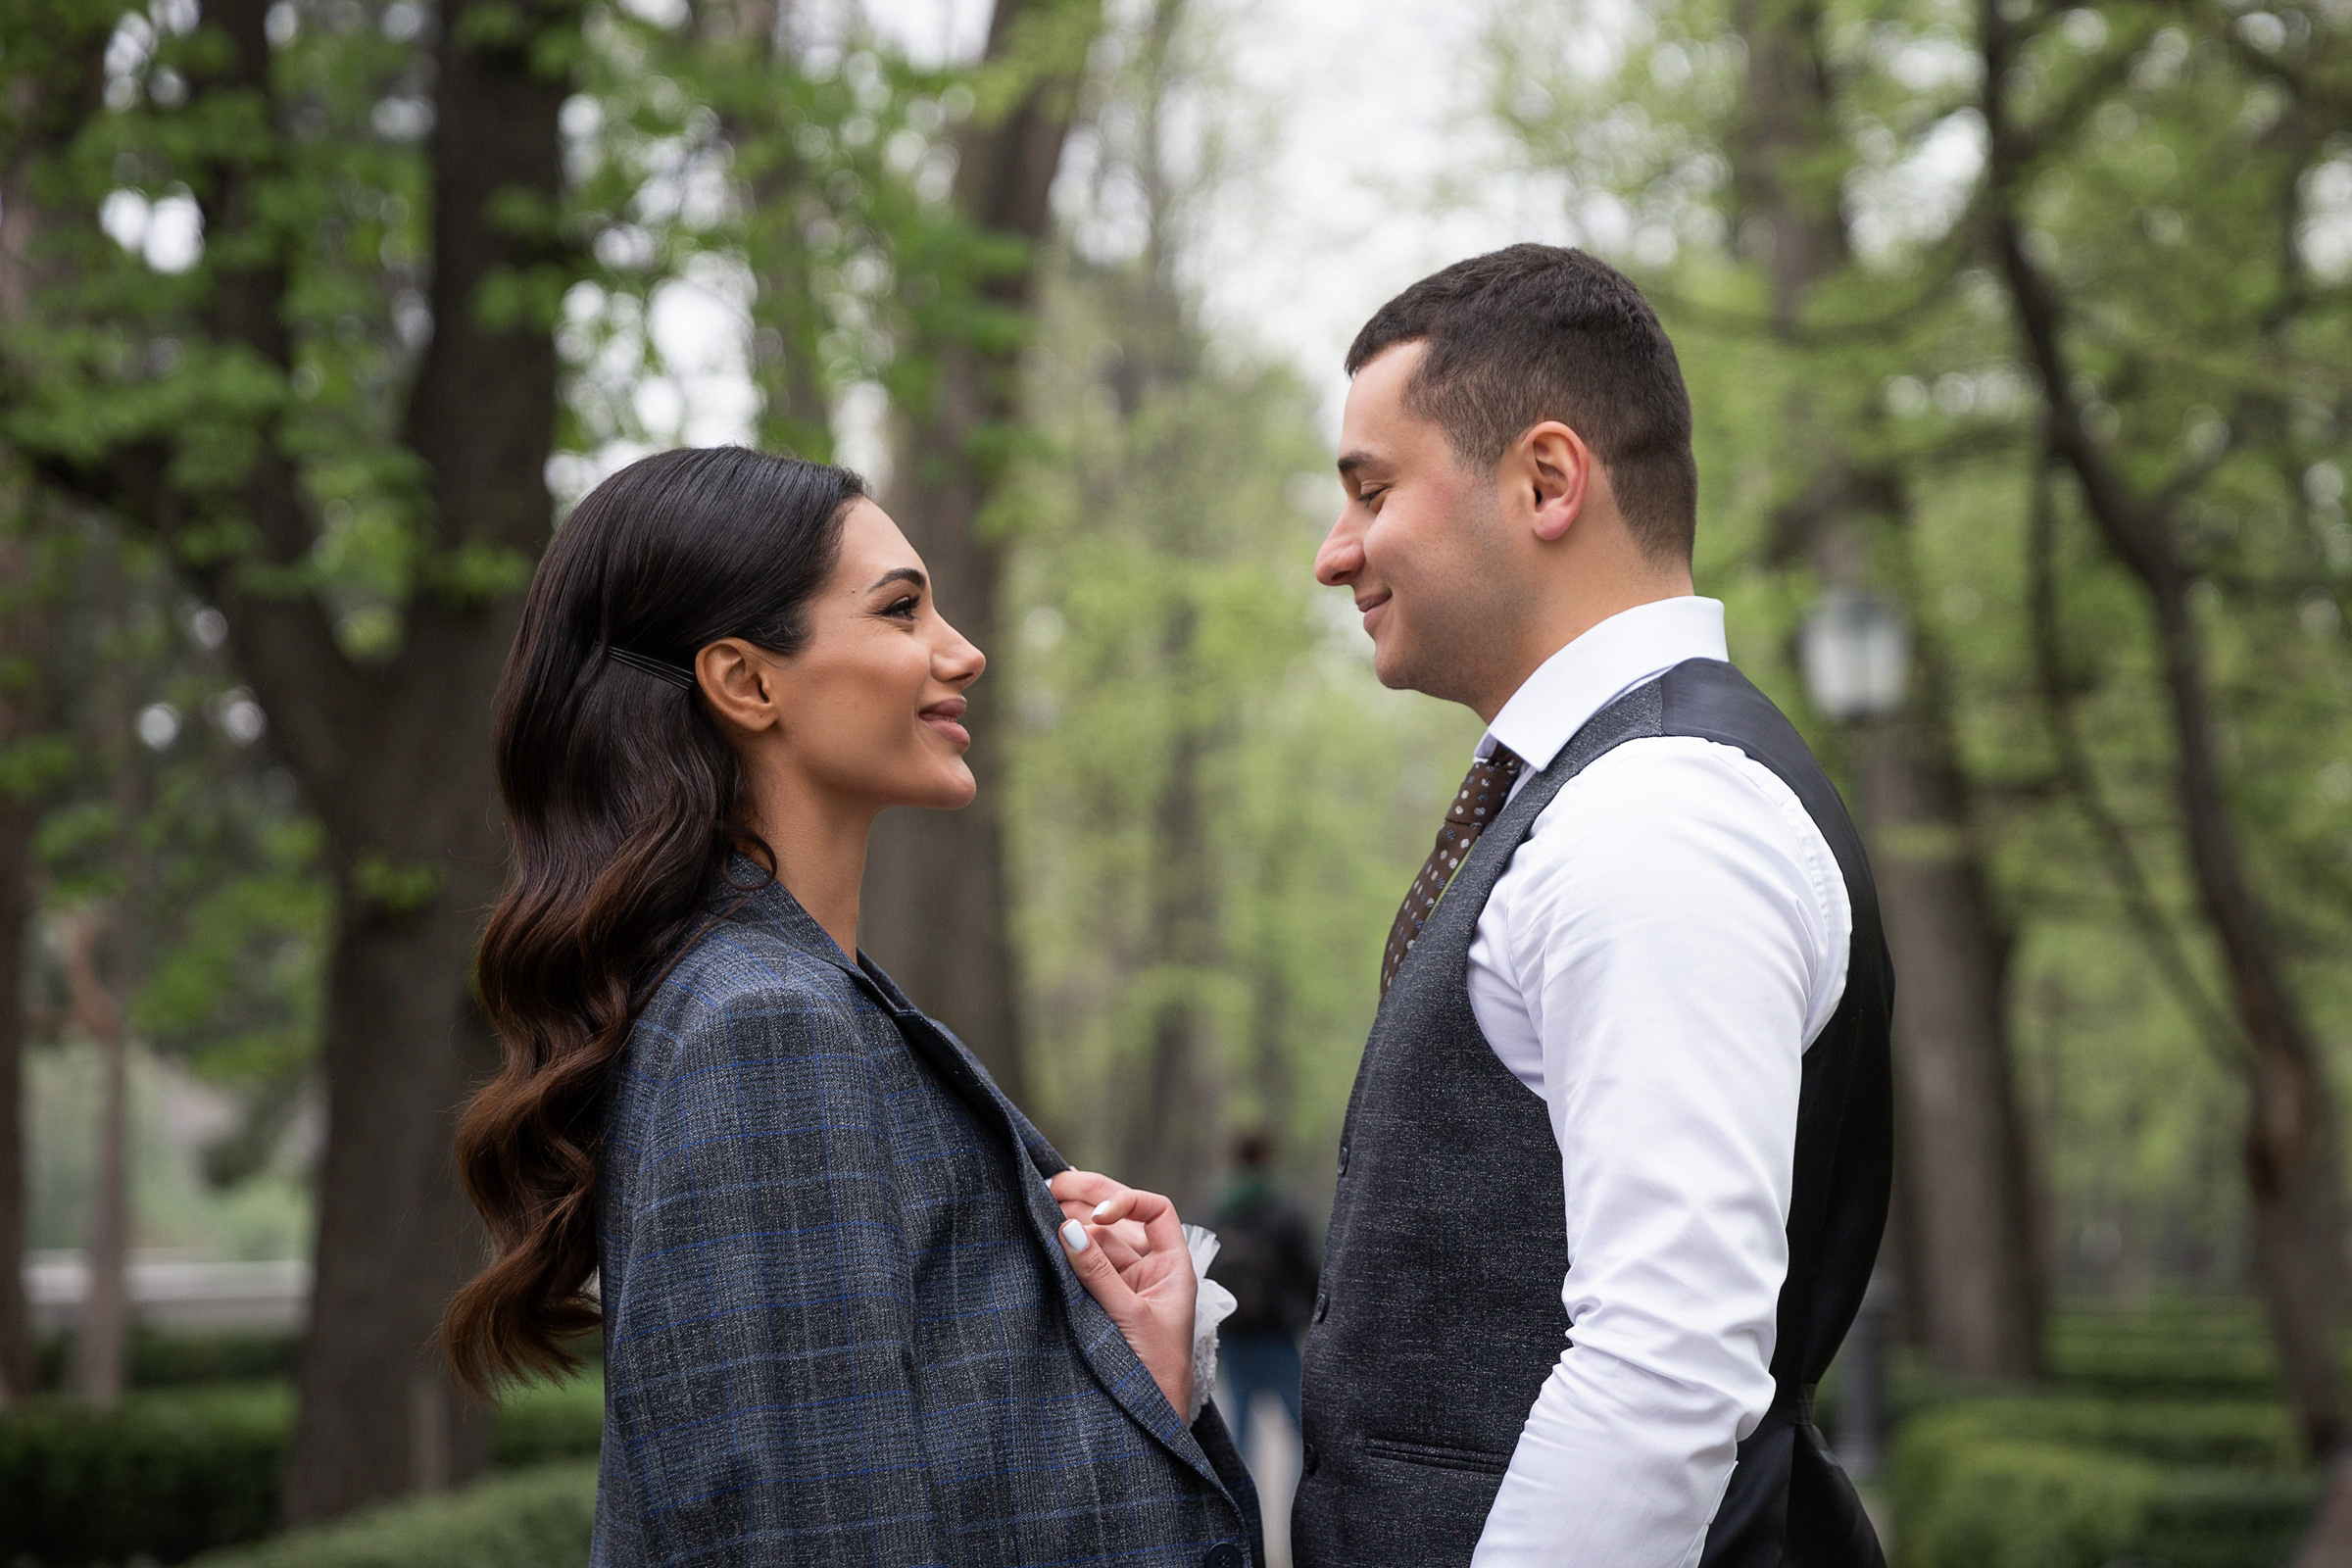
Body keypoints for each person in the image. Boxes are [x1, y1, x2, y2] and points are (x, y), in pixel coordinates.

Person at [439, 446, 1260, 1568]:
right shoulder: (759, 1025)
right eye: (902, 609)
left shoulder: (795, 994)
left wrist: (1133, 1366)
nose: (963, 651)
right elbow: (805, 1536)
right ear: (746, 680)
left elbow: (913, 1471)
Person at [1292, 246, 1892, 1567]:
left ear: (1549, 481)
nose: (1337, 554)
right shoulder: (1589, 800)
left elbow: (1668, 1363)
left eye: (1371, 489)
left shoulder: (1659, 816)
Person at [1206, 1132, 1319, 1437]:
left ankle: (1242, 1485)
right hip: (1277, 1333)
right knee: (1304, 1427)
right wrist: (1314, 1318)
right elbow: (1309, 1267)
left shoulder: (1217, 1209)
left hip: (1235, 1334)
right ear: (1266, 1158)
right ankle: (1299, 1485)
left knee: (1241, 1428)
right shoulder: (1284, 1208)